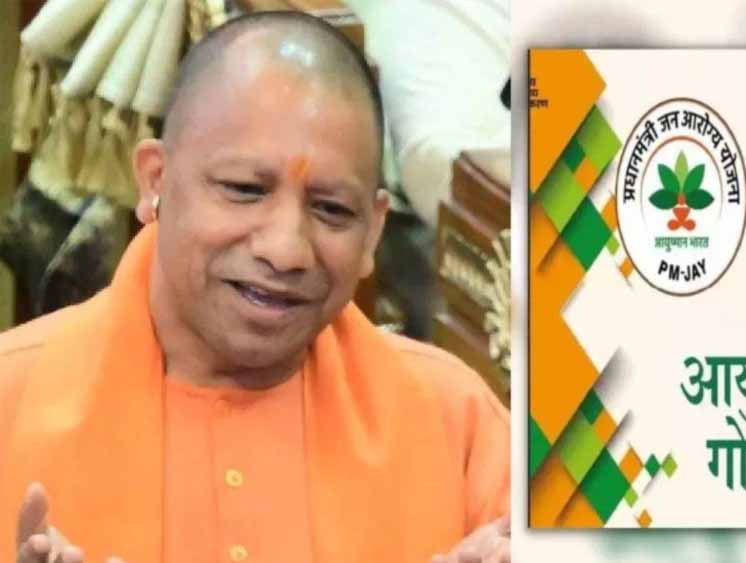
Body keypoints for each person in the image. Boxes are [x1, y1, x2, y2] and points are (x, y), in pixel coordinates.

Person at [0, 11, 509, 563]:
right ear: (155, 180)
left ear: (373, 231)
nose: (286, 250)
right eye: (244, 189)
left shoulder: (455, 419)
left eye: (332, 210)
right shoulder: (12, 396)